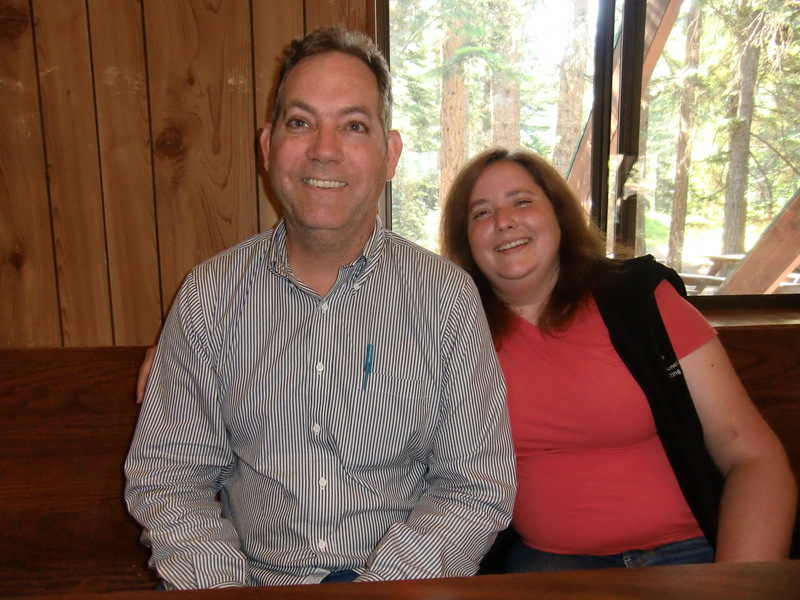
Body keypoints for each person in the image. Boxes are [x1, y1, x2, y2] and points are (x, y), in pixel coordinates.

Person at [124, 27, 516, 590]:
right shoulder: (210, 297)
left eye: (354, 125)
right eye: (300, 122)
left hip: (400, 586)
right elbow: (169, 482)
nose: (324, 149)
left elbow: (473, 486)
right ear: (267, 147)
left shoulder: (447, 299)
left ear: (390, 155)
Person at [439, 147, 797, 573]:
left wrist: (737, 584)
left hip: (692, 554)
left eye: (522, 201)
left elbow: (753, 458)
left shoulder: (643, 302)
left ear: (558, 215)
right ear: (466, 239)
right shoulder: (454, 329)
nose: (503, 221)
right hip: (550, 564)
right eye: (481, 213)